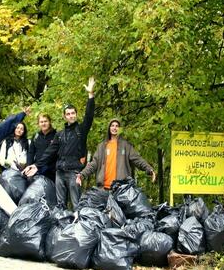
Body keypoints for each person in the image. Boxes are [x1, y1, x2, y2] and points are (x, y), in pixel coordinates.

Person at [24, 77, 95, 209]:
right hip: (60, 173)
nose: (71, 115)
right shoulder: (60, 134)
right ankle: (61, 227)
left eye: (73, 113)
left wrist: (90, 96)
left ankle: (78, 227)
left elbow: (89, 116)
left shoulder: (81, 130)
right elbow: (49, 152)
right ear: (64, 116)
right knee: (60, 205)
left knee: (76, 204)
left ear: (76, 114)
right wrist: (36, 166)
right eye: (68, 114)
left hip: (74, 172)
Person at [76, 118, 156, 189]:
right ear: (109, 128)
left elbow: (137, 159)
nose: (114, 128)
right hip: (103, 188)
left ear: (119, 129)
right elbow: (93, 164)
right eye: (112, 125)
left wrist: (149, 169)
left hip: (121, 188)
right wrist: (82, 175)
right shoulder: (102, 146)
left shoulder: (126, 145)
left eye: (117, 126)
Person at [27, 113, 57, 182]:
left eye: (45, 121)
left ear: (50, 122)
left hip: (52, 171)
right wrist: (29, 166)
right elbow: (31, 152)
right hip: (38, 168)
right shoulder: (36, 136)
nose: (43, 124)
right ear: (38, 123)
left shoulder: (56, 135)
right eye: (41, 122)